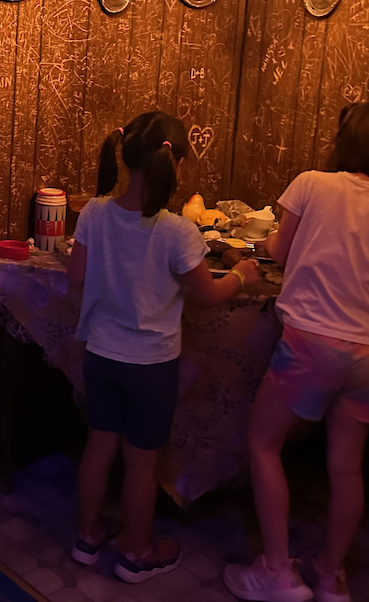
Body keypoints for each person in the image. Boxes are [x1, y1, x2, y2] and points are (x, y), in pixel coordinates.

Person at [223, 101, 369, 602]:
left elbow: (279, 251)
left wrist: (272, 246)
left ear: (347, 142)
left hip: (310, 345)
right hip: (367, 353)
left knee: (263, 444)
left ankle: (276, 571)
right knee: (346, 468)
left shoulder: (312, 183)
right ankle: (329, 574)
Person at [67, 111, 259, 584]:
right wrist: (241, 275)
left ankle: (87, 538)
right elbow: (207, 294)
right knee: (141, 463)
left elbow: (76, 278)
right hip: (150, 367)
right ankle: (136, 552)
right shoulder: (178, 231)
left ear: (124, 156)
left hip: (101, 354)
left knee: (97, 448)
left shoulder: (93, 213)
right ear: (176, 165)